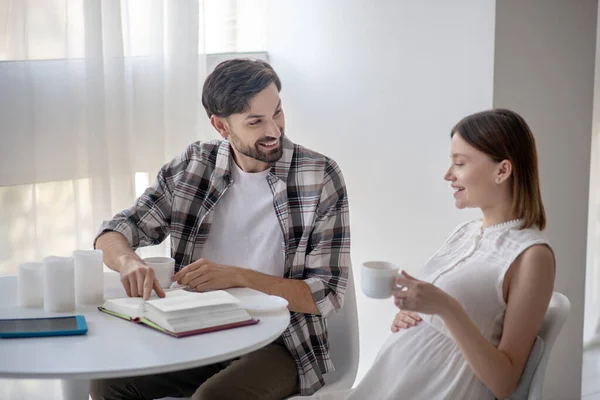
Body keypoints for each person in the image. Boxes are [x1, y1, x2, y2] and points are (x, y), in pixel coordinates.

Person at [90, 58, 351, 400]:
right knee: (107, 383)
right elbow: (114, 232)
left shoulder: (319, 176)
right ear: (221, 126)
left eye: (278, 112)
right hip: (197, 329)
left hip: (282, 341)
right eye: (255, 121)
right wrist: (128, 262)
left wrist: (240, 277)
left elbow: (328, 293)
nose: (274, 130)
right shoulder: (194, 166)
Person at [293, 109, 555, 400]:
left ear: (502, 171)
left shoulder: (532, 256)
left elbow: (505, 383)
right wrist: (412, 317)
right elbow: (448, 320)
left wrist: (446, 308)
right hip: (387, 387)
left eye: (460, 163)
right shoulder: (466, 232)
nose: (448, 175)